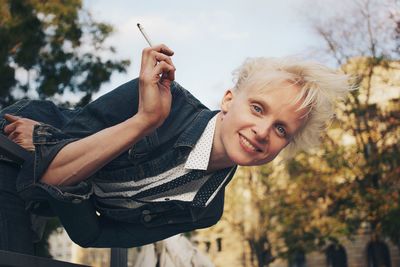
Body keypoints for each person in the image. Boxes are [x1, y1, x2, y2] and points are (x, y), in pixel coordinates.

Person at [0, 44, 351, 253]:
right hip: (12, 148)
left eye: (280, 129)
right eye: (257, 108)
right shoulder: (160, 99)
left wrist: (56, 150)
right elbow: (53, 173)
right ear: (229, 100)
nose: (262, 132)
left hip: (37, 199)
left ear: (285, 145)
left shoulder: (206, 210)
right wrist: (146, 120)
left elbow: (90, 235)